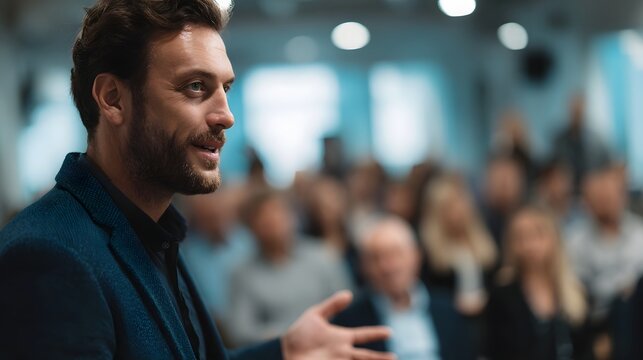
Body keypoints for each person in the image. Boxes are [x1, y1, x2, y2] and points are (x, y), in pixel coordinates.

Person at [0, 1, 394, 359]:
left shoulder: (152, 230)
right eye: (195, 87)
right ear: (113, 98)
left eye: (225, 88)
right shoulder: (49, 257)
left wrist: (284, 352)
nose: (226, 115)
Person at [333, 216, 475, 360]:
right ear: (364, 266)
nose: (388, 266)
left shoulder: (447, 310)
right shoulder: (350, 323)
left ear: (416, 256)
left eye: (396, 254)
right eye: (376, 258)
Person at [227, 190, 351, 346]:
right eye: (265, 219)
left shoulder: (322, 256)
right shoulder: (242, 274)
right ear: (251, 228)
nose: (274, 222)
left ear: (293, 217)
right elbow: (241, 333)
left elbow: (347, 307)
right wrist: (293, 335)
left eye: (279, 214)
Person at [485, 206, 588, 360]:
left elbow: (586, 349)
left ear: (554, 238)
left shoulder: (574, 291)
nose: (529, 245)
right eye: (520, 237)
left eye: (537, 234)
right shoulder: (502, 295)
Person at [420, 175, 497, 316]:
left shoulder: (482, 238)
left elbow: (494, 280)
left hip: (485, 316)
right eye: (449, 207)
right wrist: (455, 303)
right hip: (449, 317)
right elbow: (427, 292)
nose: (458, 211)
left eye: (461, 203)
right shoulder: (428, 248)